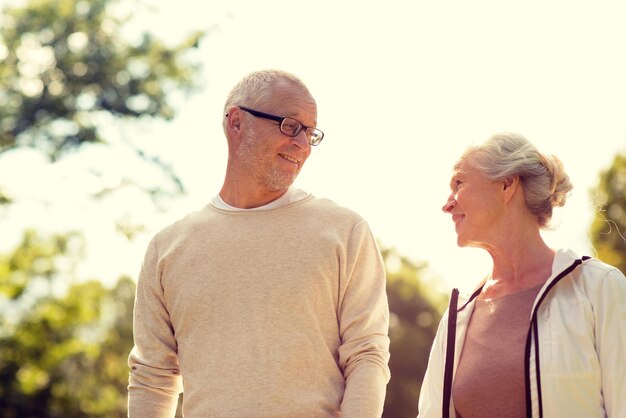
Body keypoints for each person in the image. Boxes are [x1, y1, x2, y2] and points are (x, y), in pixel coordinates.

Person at [127, 69, 391, 418]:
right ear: (236, 123)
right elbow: (153, 378)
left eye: (310, 134)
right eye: (290, 126)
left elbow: (366, 355)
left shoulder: (345, 231)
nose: (301, 144)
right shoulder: (167, 248)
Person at [417, 132, 626, 418]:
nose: (447, 204)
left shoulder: (598, 289)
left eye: (459, 183)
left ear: (506, 184)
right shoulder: (457, 317)